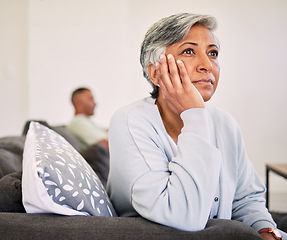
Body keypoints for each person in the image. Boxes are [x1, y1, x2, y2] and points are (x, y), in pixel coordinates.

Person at [107, 13, 286, 239]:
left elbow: (246, 199)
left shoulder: (225, 123)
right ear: (155, 72)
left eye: (212, 53)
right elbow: (183, 216)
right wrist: (195, 115)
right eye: (189, 51)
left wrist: (268, 232)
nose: (207, 65)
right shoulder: (129, 122)